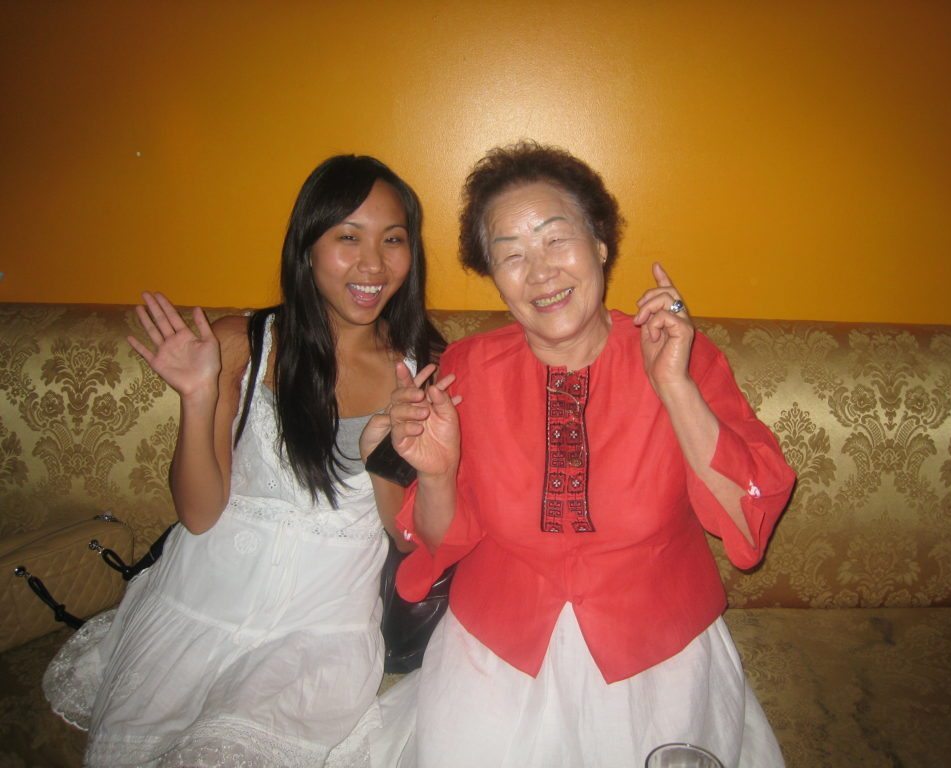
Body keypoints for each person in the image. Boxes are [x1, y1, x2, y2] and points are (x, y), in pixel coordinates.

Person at [372, 141, 796, 768]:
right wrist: (436, 475)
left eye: (555, 239)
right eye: (511, 255)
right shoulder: (467, 370)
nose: (539, 272)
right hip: (496, 651)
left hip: (658, 654)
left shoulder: (677, 353)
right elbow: (436, 540)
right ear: (494, 276)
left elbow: (746, 523)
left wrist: (674, 387)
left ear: (599, 243)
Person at [43, 155, 444, 767]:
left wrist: (382, 459)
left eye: (393, 240)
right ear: (307, 247)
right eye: (348, 238)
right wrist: (197, 396)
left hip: (319, 631)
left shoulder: (423, 366)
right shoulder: (244, 343)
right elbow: (200, 514)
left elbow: (407, 536)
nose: (373, 264)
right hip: (202, 606)